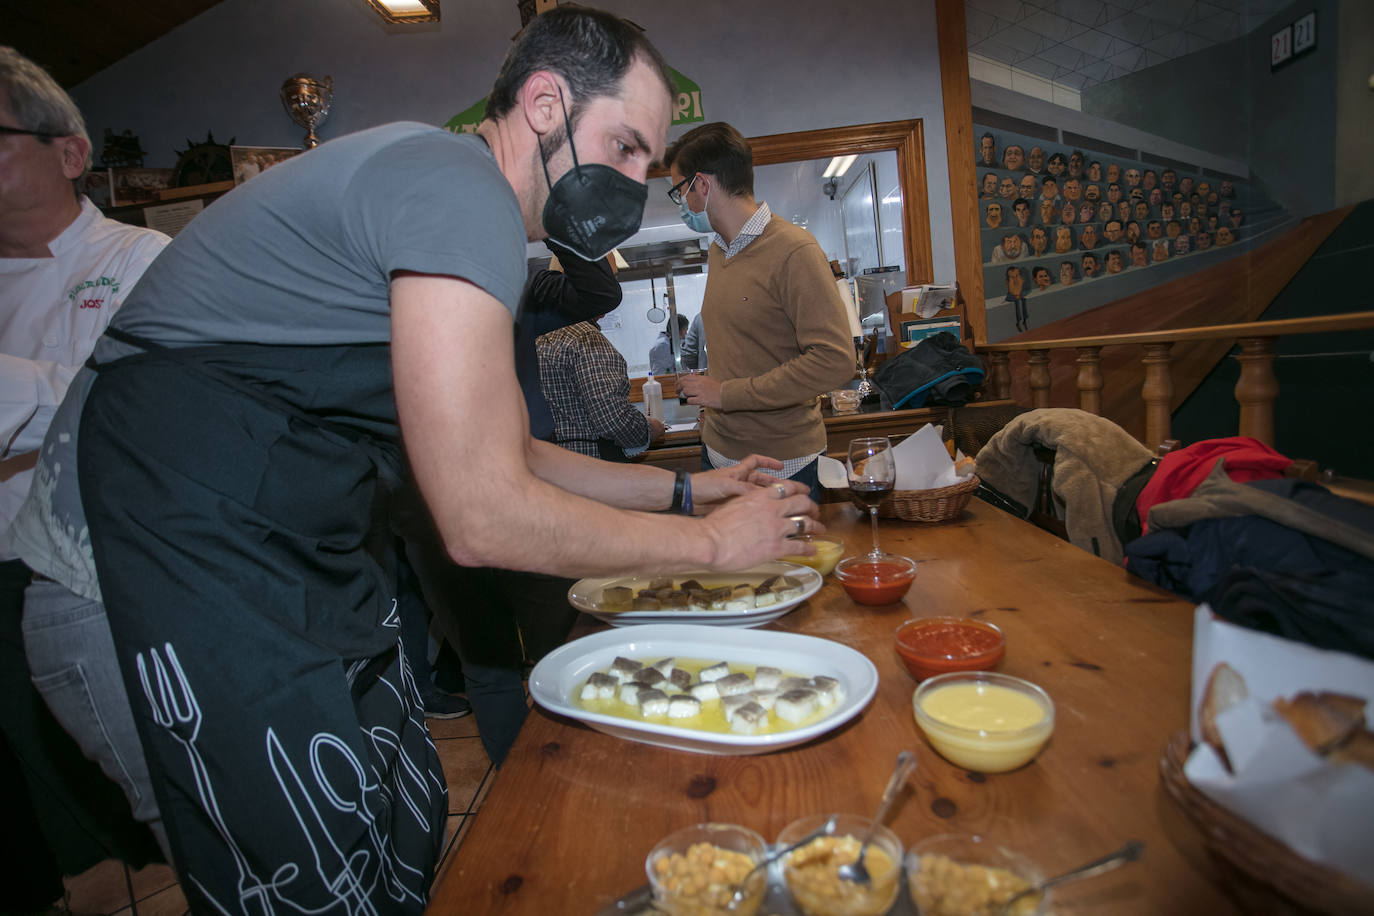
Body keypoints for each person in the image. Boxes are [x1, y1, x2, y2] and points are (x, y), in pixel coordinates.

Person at [11, 11, 822, 912]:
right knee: (300, 882)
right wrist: (712, 548)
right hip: (133, 580)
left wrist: (689, 488)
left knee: (393, 824)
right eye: (626, 147)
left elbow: (510, 453)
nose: (636, 183)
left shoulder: (458, 200)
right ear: (545, 104)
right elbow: (481, 515)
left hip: (240, 560)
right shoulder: (455, 186)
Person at [0, 46, 173, 904]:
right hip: (7, 574)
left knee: (155, 784)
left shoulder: (138, 257)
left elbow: (124, 408)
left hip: (102, 570)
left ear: (68, 152)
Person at [668, 121, 855, 501]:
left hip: (781, 465)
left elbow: (834, 361)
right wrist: (712, 393)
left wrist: (725, 394)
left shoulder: (794, 250)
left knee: (788, 563)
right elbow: (751, 346)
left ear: (702, 185)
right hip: (719, 456)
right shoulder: (720, 250)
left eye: (679, 191)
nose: (683, 205)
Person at [1004, 266, 1028, 332]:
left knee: (1023, 300)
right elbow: (1014, 292)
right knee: (1017, 302)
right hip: (1011, 296)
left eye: (1017, 275)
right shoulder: (1010, 282)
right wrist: (1015, 282)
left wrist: (1019, 282)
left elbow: (1019, 292)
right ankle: (1018, 322)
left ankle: (1024, 320)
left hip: (1018, 296)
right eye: (1012, 277)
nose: (1015, 278)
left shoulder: (1020, 280)